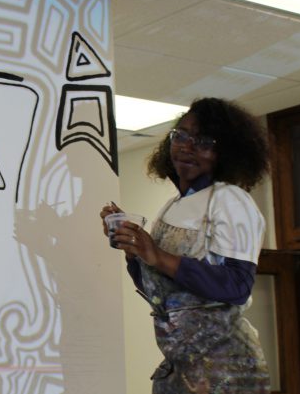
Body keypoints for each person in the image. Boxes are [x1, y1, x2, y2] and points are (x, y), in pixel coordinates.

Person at [101, 98, 271, 393]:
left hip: (226, 370)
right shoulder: (171, 207)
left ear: (225, 152)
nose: (186, 146)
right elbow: (158, 289)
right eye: (181, 136)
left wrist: (156, 254)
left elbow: (236, 285)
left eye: (203, 141)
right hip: (179, 366)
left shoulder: (230, 200)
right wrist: (135, 251)